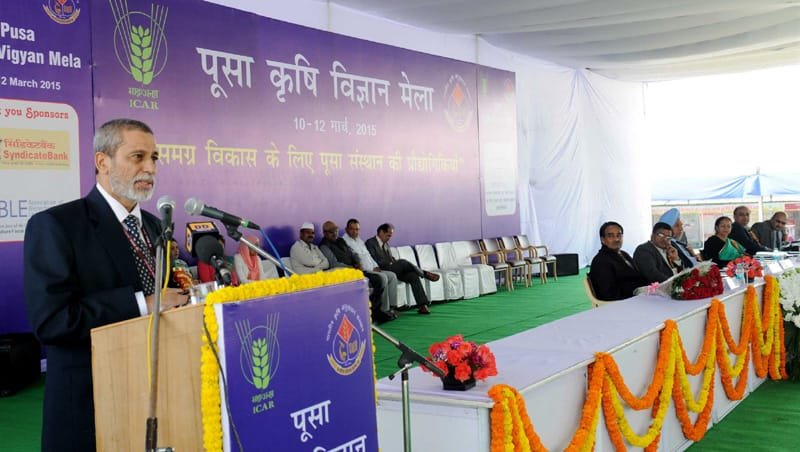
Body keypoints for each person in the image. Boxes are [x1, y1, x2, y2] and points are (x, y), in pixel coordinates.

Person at [23, 119, 188, 452]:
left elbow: (168, 298)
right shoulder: (57, 225)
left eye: (154, 158)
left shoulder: (156, 227)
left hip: (157, 397)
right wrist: (143, 303)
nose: (150, 168)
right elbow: (53, 322)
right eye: (137, 157)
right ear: (103, 161)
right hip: (89, 406)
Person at [318, 220, 395, 323]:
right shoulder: (324, 246)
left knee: (379, 279)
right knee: (377, 280)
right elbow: (334, 264)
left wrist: (357, 262)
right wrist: (352, 268)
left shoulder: (340, 241)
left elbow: (353, 253)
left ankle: (375, 312)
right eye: (331, 232)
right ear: (324, 233)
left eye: (336, 231)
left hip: (356, 270)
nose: (335, 234)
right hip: (345, 274)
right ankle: (373, 314)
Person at [365, 223, 438, 314]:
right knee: (403, 262)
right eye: (388, 235)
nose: (389, 238)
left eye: (390, 236)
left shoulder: (386, 244)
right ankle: (423, 273)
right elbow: (372, 259)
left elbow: (389, 258)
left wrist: (393, 260)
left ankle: (422, 305)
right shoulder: (370, 243)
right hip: (381, 269)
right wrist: (391, 262)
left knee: (413, 275)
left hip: (392, 268)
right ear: (381, 232)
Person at [341, 218, 400, 311]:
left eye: (357, 229)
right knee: (383, 277)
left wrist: (375, 266)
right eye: (352, 229)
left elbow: (369, 256)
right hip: (365, 271)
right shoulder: (344, 241)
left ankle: (393, 306)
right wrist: (370, 268)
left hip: (373, 268)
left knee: (392, 276)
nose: (355, 232)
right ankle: (384, 310)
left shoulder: (359, 241)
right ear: (346, 229)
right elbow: (354, 259)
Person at [588, 221, 648, 301]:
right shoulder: (601, 261)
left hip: (639, 296)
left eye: (619, 235)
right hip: (622, 303)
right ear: (603, 240)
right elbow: (608, 294)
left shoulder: (623, 254)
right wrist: (638, 292)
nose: (616, 239)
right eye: (611, 236)